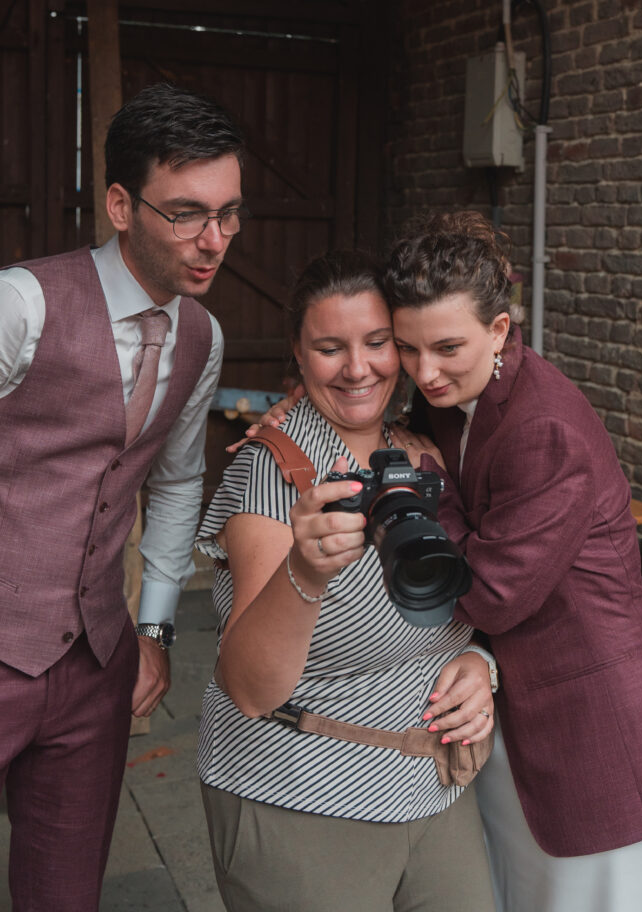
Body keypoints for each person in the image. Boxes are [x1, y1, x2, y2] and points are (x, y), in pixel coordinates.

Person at [383, 210, 642, 912]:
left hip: (597, 719)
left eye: (446, 347)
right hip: (515, 707)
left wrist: (426, 485)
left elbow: (489, 594)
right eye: (407, 348)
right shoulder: (456, 395)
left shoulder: (542, 426)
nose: (424, 372)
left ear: (498, 330)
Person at [0, 81, 246, 911]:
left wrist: (153, 629)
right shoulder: (22, 304)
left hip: (96, 664)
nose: (213, 240)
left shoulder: (201, 335)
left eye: (228, 214)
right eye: (186, 213)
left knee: (65, 894)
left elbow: (174, 482)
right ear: (119, 205)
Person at [195, 251, 498, 912]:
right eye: (330, 348)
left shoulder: (421, 448)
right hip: (301, 797)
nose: (358, 368)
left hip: (434, 789)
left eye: (376, 343)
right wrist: (304, 570)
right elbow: (248, 687)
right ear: (299, 356)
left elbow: (484, 591)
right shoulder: (271, 475)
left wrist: (480, 661)